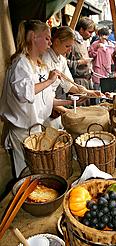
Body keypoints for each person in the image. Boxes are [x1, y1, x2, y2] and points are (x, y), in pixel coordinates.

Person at [0, 20, 73, 177]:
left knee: (38, 173)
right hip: (22, 132)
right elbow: (24, 94)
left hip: (35, 129)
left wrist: (70, 102)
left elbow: (44, 99)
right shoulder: (20, 63)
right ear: (33, 37)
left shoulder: (39, 64)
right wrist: (49, 81)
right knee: (26, 176)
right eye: (46, 38)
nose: (50, 41)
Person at [42, 26, 102, 125]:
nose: (70, 50)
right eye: (67, 46)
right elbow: (43, 95)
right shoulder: (45, 59)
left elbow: (68, 84)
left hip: (54, 105)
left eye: (71, 46)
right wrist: (66, 111)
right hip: (45, 109)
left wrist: (87, 92)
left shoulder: (61, 60)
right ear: (56, 42)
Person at [67, 17, 96, 93]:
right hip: (77, 82)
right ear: (81, 30)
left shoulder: (83, 42)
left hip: (87, 81)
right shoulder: (72, 42)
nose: (91, 35)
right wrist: (79, 62)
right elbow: (62, 61)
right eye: (89, 32)